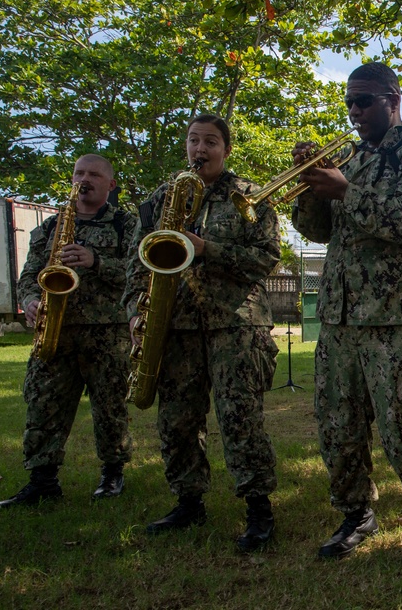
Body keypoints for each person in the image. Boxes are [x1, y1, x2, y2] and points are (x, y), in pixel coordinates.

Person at [291, 62, 402, 570]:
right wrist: (307, 186)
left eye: (364, 101)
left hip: (400, 320)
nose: (355, 111)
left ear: (393, 99)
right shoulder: (352, 157)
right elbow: (318, 232)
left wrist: (346, 190)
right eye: (350, 103)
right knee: (338, 424)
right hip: (341, 319)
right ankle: (356, 513)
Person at [123, 114, 280, 552]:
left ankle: (258, 509)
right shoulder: (160, 199)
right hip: (175, 324)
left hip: (235, 324)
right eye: (194, 141)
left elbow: (267, 259)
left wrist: (207, 248)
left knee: (240, 419)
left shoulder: (249, 196)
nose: (200, 149)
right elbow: (138, 262)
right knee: (177, 420)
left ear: (226, 149)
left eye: (210, 141)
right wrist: (136, 312)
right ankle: (187, 501)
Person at [0, 155, 135, 509]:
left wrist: (96, 261)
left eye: (93, 174)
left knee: (110, 407)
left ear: (110, 184)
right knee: (43, 404)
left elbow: (141, 274)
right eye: (79, 173)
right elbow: (29, 275)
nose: (84, 179)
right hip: (56, 331)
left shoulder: (126, 224)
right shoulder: (49, 227)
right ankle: (42, 480)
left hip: (107, 333)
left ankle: (112, 472)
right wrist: (29, 300)